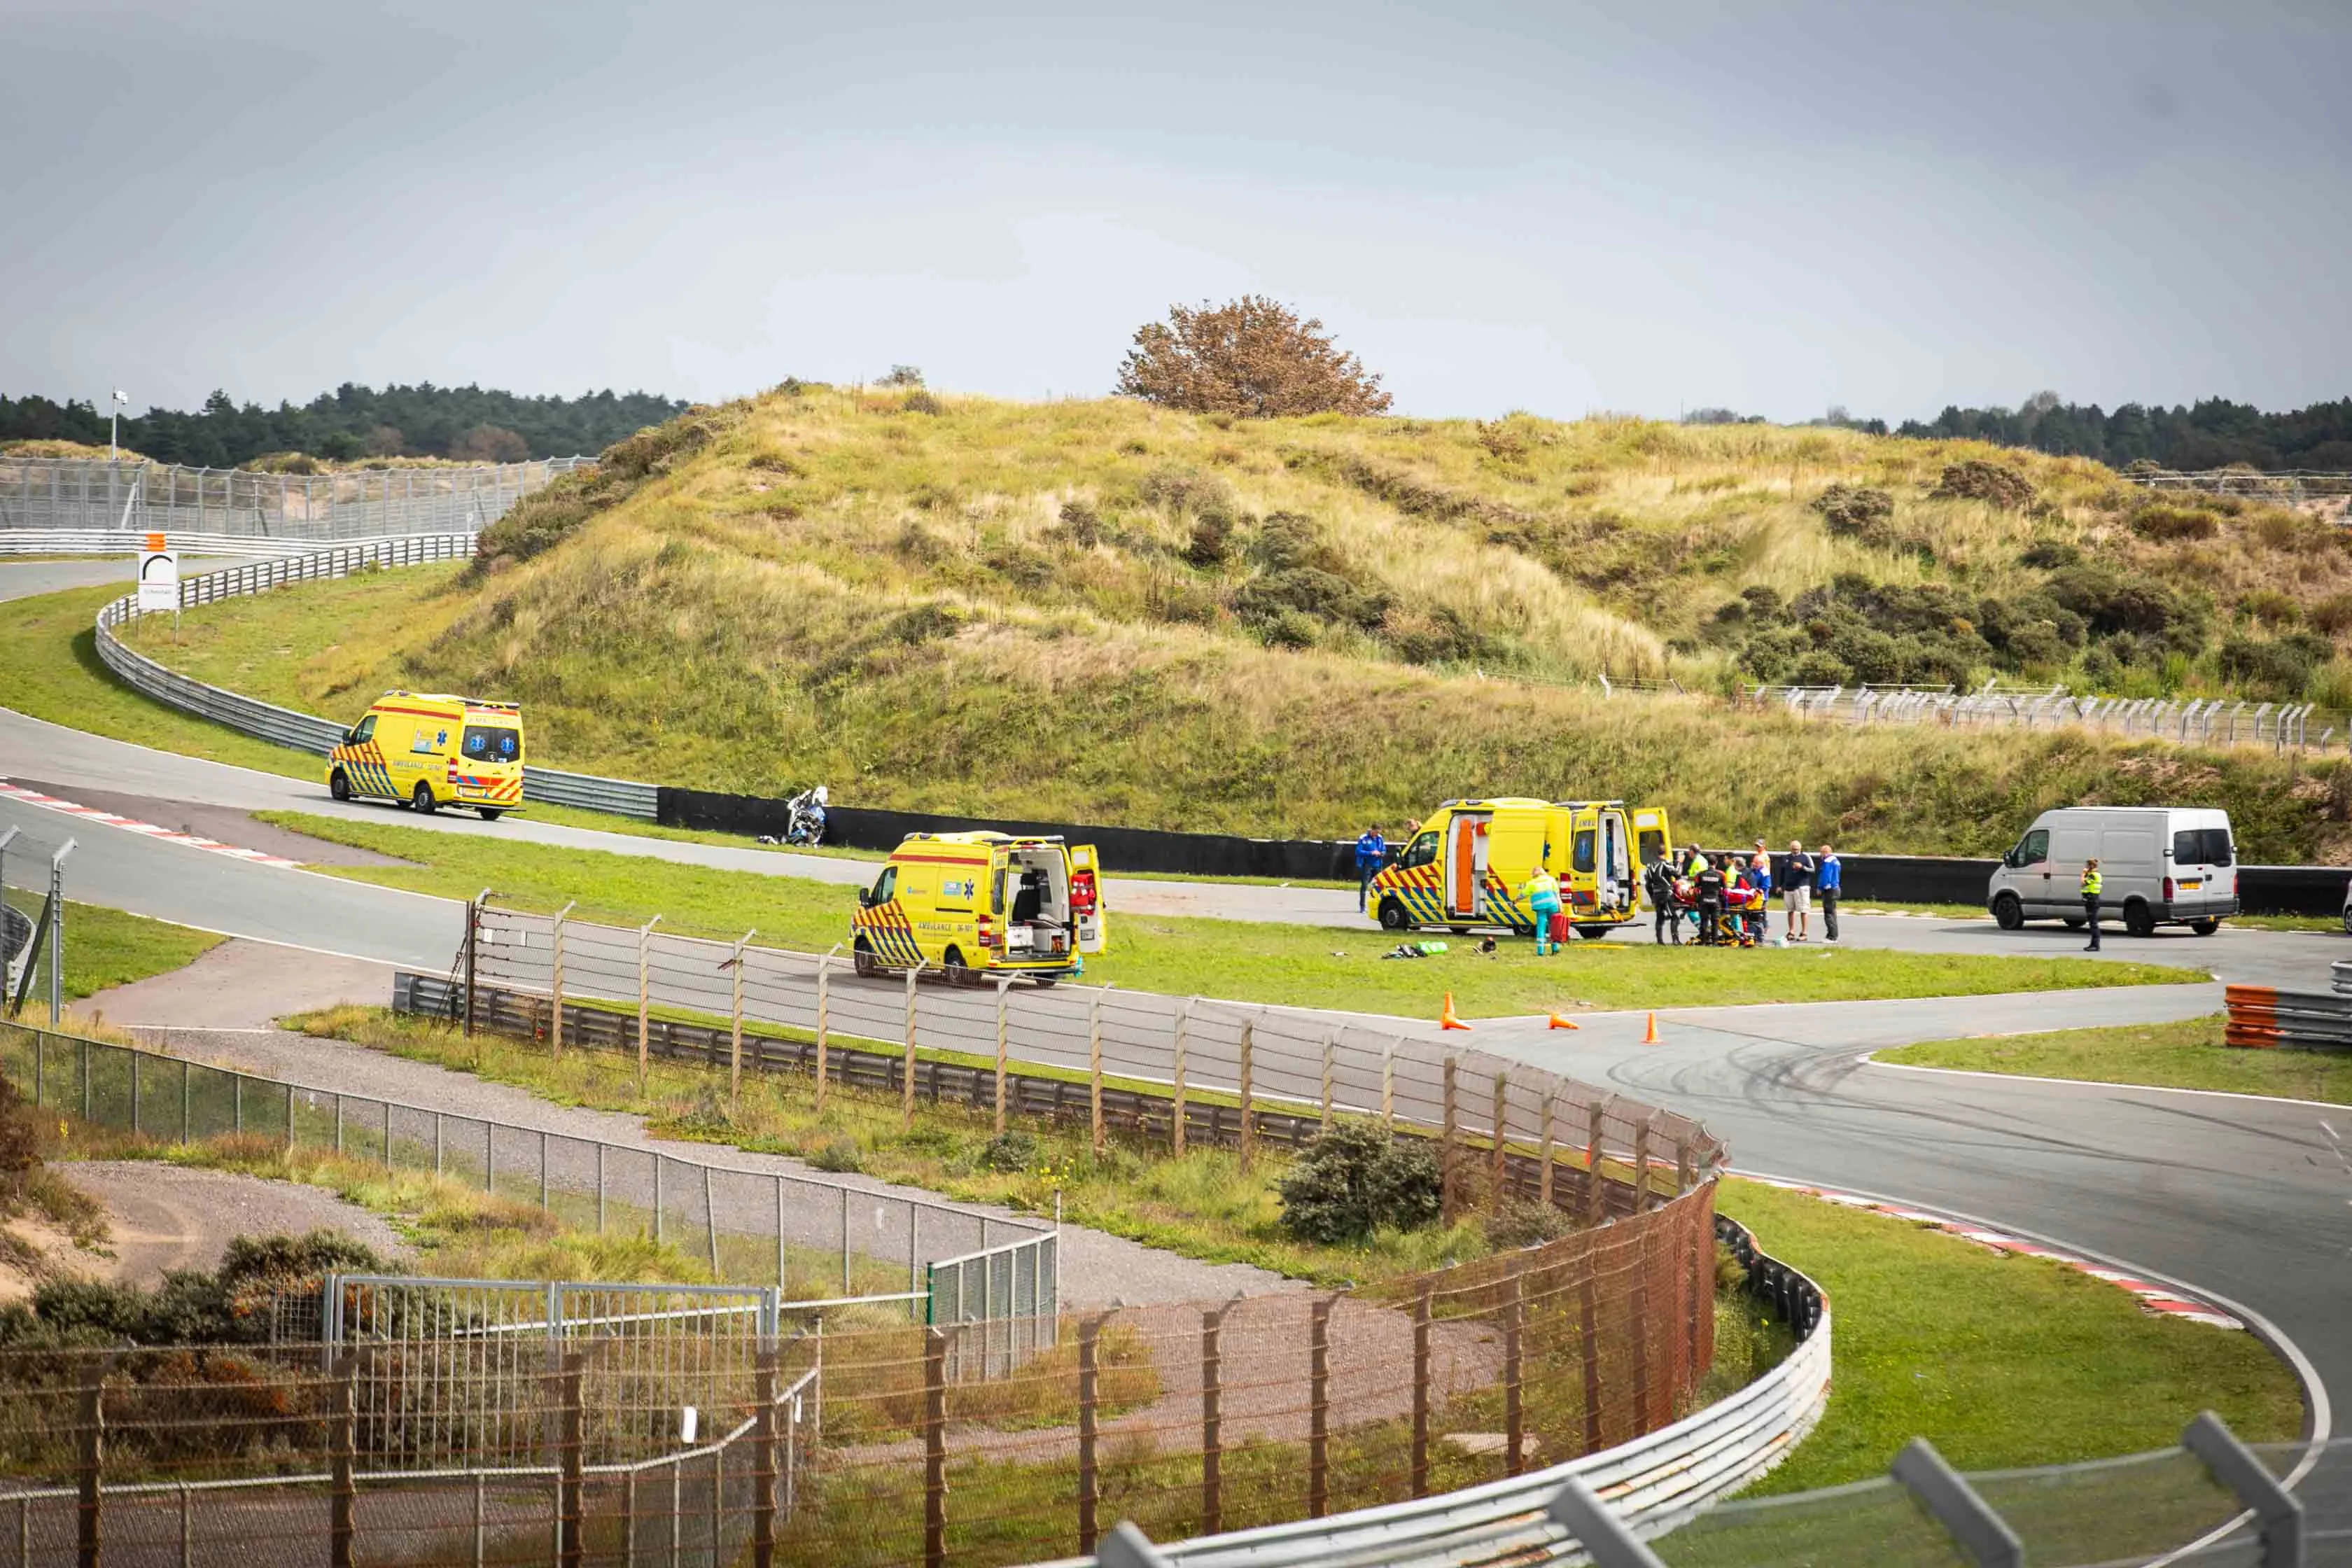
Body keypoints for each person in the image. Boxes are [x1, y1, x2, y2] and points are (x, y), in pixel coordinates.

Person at [1522, 864, 1563, 955]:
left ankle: (1541, 951)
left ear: (1533, 874)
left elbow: (1523, 894)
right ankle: (1555, 949)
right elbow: (1557, 894)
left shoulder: (1531, 883)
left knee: (1541, 929)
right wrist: (1560, 906)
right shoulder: (1551, 880)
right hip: (1553, 906)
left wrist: (1515, 901)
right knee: (1554, 928)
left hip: (1540, 908)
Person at [1783, 839, 1816, 942]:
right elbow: (1783, 872)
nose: (1795, 851)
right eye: (1793, 849)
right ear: (1790, 848)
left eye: (1797, 849)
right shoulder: (1786, 858)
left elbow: (1813, 869)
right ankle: (1791, 931)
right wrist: (1781, 885)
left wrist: (1802, 867)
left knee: (1803, 910)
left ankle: (1804, 932)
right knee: (1790, 910)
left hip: (1801, 887)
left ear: (1800, 849)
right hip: (1789, 887)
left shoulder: (1806, 857)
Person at [1354, 825, 1387, 911]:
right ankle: (1362, 907)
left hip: (1378, 864)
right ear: (1372, 830)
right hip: (1367, 865)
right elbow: (1358, 851)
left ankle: (1378, 907)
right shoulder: (1363, 838)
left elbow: (1384, 849)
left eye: (1378, 833)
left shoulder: (1380, 838)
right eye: (1375, 832)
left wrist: (1382, 853)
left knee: (1379, 886)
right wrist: (1371, 853)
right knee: (1365, 885)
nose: (1376, 834)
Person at [1693, 855, 1726, 944]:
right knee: (1715, 922)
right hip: (1715, 900)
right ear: (1716, 863)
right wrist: (1722, 900)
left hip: (1704, 900)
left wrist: (1697, 900)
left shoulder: (1701, 874)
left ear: (1707, 863)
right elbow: (1725, 890)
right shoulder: (1721, 874)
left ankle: (1703, 941)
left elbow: (1696, 889)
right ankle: (1715, 942)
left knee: (1704, 921)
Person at [1746, 839, 1772, 942]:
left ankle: (1761, 934)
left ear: (1761, 863)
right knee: (1751, 915)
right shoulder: (1752, 871)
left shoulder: (1765, 871)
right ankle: (1752, 933)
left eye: (1757, 863)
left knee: (1759, 915)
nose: (1754, 864)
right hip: (1752, 896)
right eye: (1754, 863)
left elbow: (1766, 885)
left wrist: (1758, 891)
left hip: (1761, 897)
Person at [1815, 845, 1842, 943]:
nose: (1821, 855)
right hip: (1836, 888)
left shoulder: (1827, 862)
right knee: (1833, 913)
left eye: (1821, 853)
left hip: (1830, 890)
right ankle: (1833, 935)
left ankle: (1832, 937)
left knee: (1828, 913)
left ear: (1825, 852)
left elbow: (1826, 877)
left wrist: (1820, 888)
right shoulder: (1836, 861)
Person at [2080, 856, 2103, 951]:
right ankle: (2093, 944)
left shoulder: (2093, 875)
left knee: (2093, 923)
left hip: (2092, 900)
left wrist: (2083, 874)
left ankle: (2096, 945)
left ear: (2091, 866)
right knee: (2092, 923)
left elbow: (2083, 883)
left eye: (2087, 865)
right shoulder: (2095, 874)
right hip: (2092, 899)